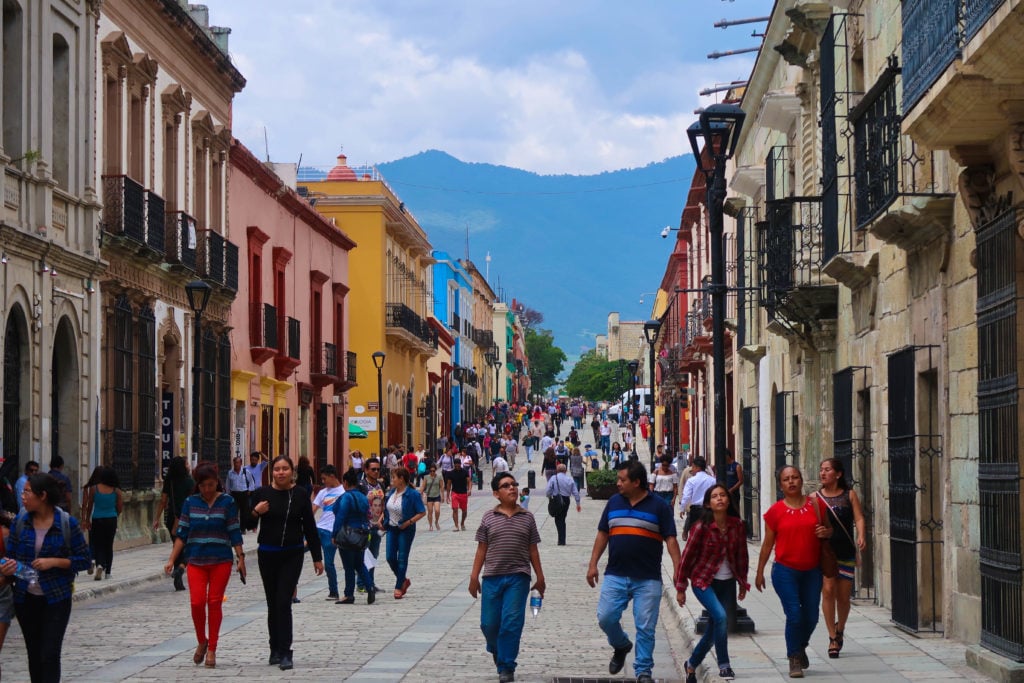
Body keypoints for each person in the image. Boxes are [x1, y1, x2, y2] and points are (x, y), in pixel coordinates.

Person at [587, 462, 680, 683]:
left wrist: (678, 569)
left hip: (647, 577)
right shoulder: (613, 502)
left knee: (646, 627)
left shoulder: (659, 506)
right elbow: (603, 534)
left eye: (622, 479)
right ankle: (621, 645)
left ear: (636, 482)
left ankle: (643, 671)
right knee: (606, 617)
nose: (618, 483)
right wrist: (593, 564)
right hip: (616, 574)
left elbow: (671, 539)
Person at [1, 473, 91, 683]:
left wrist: (55, 562)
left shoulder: (67, 523)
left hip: (56, 597)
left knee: (49, 653)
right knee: (34, 653)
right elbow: (10, 557)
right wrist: (8, 568)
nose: (22, 496)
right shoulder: (20, 522)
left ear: (42, 496)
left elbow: (85, 559)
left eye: (27, 492)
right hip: (25, 598)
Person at [755, 465, 833, 678]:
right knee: (795, 615)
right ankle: (794, 659)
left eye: (795, 477)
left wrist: (825, 531)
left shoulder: (816, 505)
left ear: (801, 480)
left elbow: (829, 530)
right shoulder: (776, 511)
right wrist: (759, 571)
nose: (791, 482)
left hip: (812, 571)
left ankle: (800, 646)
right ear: (780, 485)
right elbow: (767, 544)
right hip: (785, 571)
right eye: (786, 479)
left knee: (812, 617)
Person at [164, 461, 244, 669]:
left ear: (216, 483)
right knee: (197, 602)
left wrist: (241, 558)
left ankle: (212, 649)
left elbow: (234, 531)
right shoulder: (190, 503)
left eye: (210, 485)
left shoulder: (227, 502)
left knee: (214, 602)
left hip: (221, 560)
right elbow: (182, 534)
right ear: (197, 485)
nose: (207, 490)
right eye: (203, 486)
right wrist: (172, 559)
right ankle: (202, 639)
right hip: (196, 560)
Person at [469, 471, 546, 683]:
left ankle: (506, 666)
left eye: (513, 484)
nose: (512, 488)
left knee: (511, 622)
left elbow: (533, 550)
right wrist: (474, 577)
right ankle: (496, 649)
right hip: (492, 577)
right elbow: (481, 550)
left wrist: (540, 577)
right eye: (505, 485)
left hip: (518, 578)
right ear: (496, 493)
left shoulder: (527, 517)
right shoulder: (488, 517)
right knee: (489, 624)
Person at [248, 456, 324, 671]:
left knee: (284, 601)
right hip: (268, 554)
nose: (281, 473)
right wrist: (256, 512)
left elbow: (310, 526)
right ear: (272, 472)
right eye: (277, 469)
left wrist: (317, 558)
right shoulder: (262, 494)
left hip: (292, 553)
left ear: (292, 472)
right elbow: (246, 522)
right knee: (273, 603)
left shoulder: (299, 494)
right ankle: (274, 647)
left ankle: (285, 651)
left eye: (285, 469)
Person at [675, 484, 749, 682]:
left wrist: (743, 582)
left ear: (728, 500)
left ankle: (691, 665)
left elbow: (742, 555)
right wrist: (681, 588)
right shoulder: (701, 527)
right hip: (703, 581)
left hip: (727, 583)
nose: (719, 499)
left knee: (715, 625)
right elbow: (687, 557)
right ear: (708, 503)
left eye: (723, 495)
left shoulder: (737, 526)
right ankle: (724, 665)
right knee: (721, 617)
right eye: (715, 496)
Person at [818, 458, 866, 659]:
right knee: (828, 591)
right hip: (826, 552)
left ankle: (840, 628)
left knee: (843, 597)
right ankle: (831, 637)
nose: (823, 473)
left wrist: (861, 535)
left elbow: (859, 517)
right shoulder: (815, 497)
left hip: (845, 550)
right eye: (821, 470)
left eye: (827, 470)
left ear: (838, 474)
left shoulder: (849, 495)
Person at [331, 468, 375, 604]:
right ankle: (370, 586)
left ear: (345, 482)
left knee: (348, 566)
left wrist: (334, 534)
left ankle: (348, 594)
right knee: (359, 564)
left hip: (347, 534)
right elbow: (368, 513)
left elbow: (340, 515)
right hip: (361, 534)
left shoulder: (346, 497)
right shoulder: (363, 497)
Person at [153, 456, 194, 591]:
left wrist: (156, 518)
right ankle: (180, 569)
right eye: (187, 463)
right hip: (186, 518)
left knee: (176, 546)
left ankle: (178, 577)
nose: (188, 465)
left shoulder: (169, 481)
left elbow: (163, 501)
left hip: (172, 518)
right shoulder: (190, 482)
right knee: (189, 548)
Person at [383, 467, 426, 599]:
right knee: (390, 557)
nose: (392, 480)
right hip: (391, 528)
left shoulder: (412, 494)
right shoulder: (391, 492)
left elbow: (422, 512)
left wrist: (409, 522)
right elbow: (387, 509)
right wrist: (381, 520)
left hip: (405, 529)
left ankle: (398, 587)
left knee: (402, 558)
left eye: (394, 478)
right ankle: (403, 580)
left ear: (401, 479)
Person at [80, 465, 122, 581]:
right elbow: (120, 508)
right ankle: (108, 572)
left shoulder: (94, 488)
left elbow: (89, 506)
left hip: (97, 519)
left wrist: (87, 519)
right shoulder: (116, 491)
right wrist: (114, 514)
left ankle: (99, 564)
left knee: (98, 544)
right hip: (111, 519)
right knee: (108, 545)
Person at [311, 465, 345, 600]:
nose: (323, 482)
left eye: (324, 478)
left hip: (332, 531)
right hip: (319, 528)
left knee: (329, 563)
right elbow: (312, 510)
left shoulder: (343, 492)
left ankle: (334, 591)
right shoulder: (323, 492)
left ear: (332, 476)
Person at [357, 458, 385, 593]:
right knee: (364, 555)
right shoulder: (361, 485)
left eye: (378, 469)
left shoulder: (381, 485)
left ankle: (371, 583)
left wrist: (382, 520)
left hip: (377, 526)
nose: (376, 472)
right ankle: (362, 583)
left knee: (373, 556)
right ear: (366, 470)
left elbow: (384, 504)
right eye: (373, 469)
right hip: (364, 527)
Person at [679, 456, 716, 539]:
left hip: (695, 510)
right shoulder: (712, 480)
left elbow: (686, 496)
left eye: (693, 467)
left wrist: (682, 509)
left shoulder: (692, 481)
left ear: (697, 467)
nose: (692, 469)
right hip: (708, 510)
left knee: (695, 533)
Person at [545, 463, 581, 546]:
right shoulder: (570, 479)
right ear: (565, 470)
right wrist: (578, 503)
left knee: (558, 519)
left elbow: (548, 490)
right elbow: (575, 492)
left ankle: (561, 539)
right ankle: (561, 539)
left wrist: (549, 497)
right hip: (566, 500)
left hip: (557, 499)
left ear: (557, 470)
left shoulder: (554, 478)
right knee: (562, 518)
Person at [226, 455, 257, 532]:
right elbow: (228, 484)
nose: (236, 464)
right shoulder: (230, 473)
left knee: (244, 512)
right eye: (235, 462)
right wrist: (228, 493)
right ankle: (235, 528)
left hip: (244, 494)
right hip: (234, 494)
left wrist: (250, 490)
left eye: (238, 462)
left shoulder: (245, 472)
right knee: (234, 511)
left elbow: (251, 482)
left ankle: (242, 529)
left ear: (241, 463)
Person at [447, 457, 472, 531]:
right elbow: (448, 484)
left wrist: (469, 490)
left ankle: (462, 523)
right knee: (455, 509)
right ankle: (456, 526)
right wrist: (448, 494)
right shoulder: (451, 473)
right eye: (456, 465)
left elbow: (469, 481)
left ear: (460, 464)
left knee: (464, 510)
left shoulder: (465, 472)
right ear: (454, 465)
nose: (457, 466)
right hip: (454, 493)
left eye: (458, 465)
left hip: (463, 493)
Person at [420, 464, 444, 531]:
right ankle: (430, 525)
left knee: (437, 510)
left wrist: (442, 496)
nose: (432, 472)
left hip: (437, 495)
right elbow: (423, 486)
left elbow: (442, 486)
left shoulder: (439, 477)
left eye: (433, 471)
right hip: (429, 496)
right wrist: (420, 493)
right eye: (431, 471)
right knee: (430, 511)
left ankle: (436, 521)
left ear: (435, 470)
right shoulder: (426, 477)